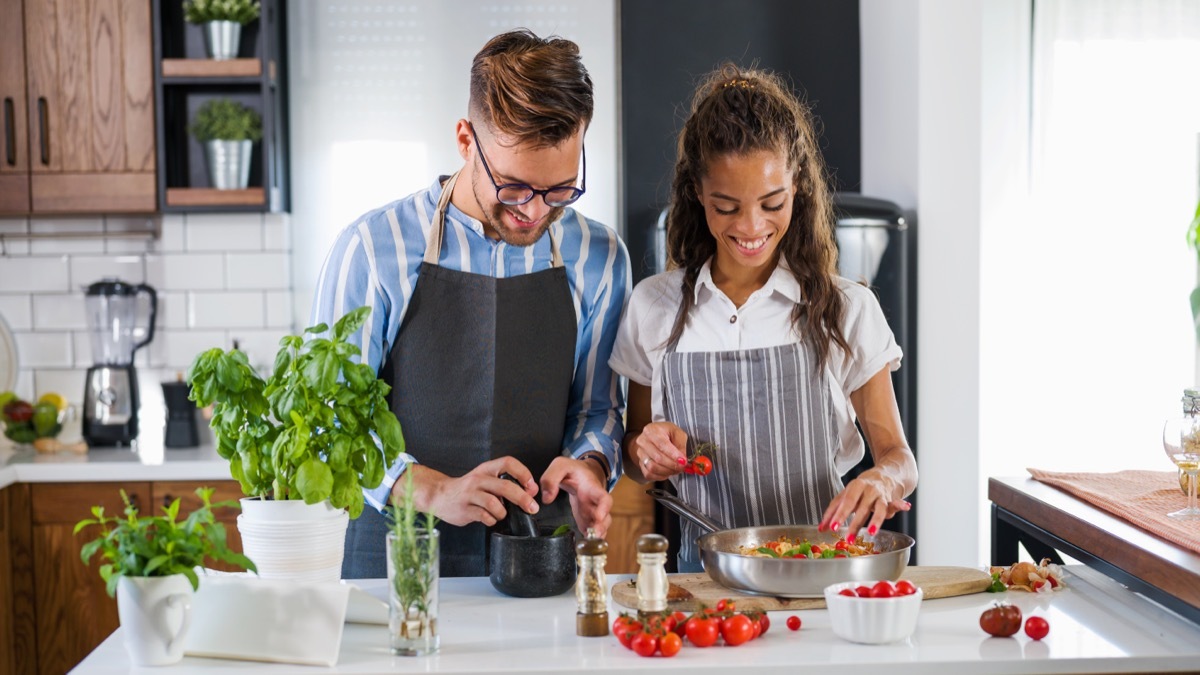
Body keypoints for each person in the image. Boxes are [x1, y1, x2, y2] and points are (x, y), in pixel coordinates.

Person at [312, 29, 631, 579]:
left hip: (541, 557)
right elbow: (330, 421)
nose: (534, 212)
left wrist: (591, 464)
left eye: (559, 191)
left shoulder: (600, 257)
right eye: (514, 188)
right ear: (465, 139)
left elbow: (597, 408)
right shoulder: (372, 248)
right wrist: (431, 488)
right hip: (398, 562)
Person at [609, 64, 916, 572]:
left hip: (823, 579)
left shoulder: (846, 309)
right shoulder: (654, 306)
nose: (751, 227)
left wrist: (882, 479)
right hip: (707, 587)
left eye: (772, 203)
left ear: (798, 188)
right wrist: (647, 452)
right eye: (726, 207)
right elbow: (636, 460)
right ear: (697, 196)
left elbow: (899, 458)